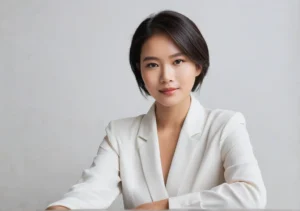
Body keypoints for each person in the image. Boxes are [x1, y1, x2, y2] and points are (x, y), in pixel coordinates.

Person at [46, 10, 266, 210]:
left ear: (198, 66)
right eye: (152, 64)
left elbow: (251, 195)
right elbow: (90, 191)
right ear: (139, 70)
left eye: (178, 61)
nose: (166, 76)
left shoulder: (225, 125)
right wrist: (63, 208)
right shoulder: (121, 134)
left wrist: (165, 207)